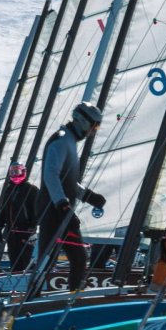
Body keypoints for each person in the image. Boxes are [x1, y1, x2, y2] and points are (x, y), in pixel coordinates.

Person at [38, 102, 107, 292]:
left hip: (60, 211)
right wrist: (62, 205)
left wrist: (89, 196)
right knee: (69, 258)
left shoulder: (68, 141)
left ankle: (54, 298)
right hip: (54, 212)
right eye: (95, 126)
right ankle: (38, 301)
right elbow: (50, 175)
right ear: (83, 122)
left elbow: (66, 180)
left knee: (60, 258)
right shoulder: (61, 141)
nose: (94, 131)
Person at [0, 161, 40, 272]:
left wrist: (32, 226)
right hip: (11, 232)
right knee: (14, 260)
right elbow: (4, 210)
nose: (14, 174)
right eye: (12, 172)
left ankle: (27, 281)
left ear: (23, 172)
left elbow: (37, 210)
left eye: (17, 171)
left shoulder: (31, 189)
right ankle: (15, 281)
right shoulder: (8, 190)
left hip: (26, 231)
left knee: (25, 260)